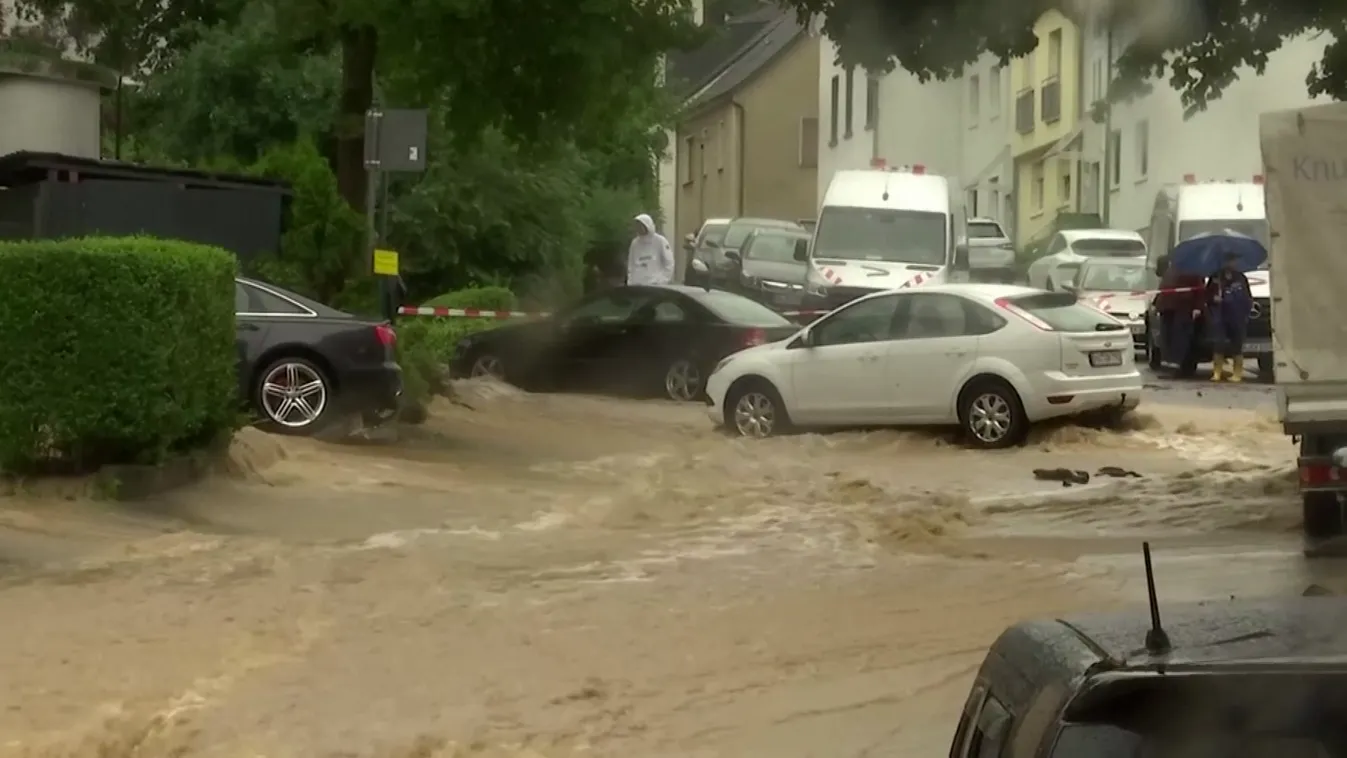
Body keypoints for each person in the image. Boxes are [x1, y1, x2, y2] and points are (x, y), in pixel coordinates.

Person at [1205, 249, 1254, 382]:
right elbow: (1207, 295)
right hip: (1220, 316)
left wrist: (1246, 312)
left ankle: (1237, 373)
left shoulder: (1240, 278)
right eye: (1229, 260)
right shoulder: (1216, 277)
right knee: (1219, 343)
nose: (1232, 263)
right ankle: (1217, 372)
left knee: (1237, 344)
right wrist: (1214, 298)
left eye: (1233, 260)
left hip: (1237, 316)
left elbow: (1247, 297)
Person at [626, 213, 674, 286]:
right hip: (637, 284)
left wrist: (662, 280)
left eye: (641, 225)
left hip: (655, 284)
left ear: (647, 225)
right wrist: (630, 281)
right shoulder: (635, 243)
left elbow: (669, 263)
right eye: (637, 226)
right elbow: (631, 264)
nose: (639, 228)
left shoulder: (660, 241)